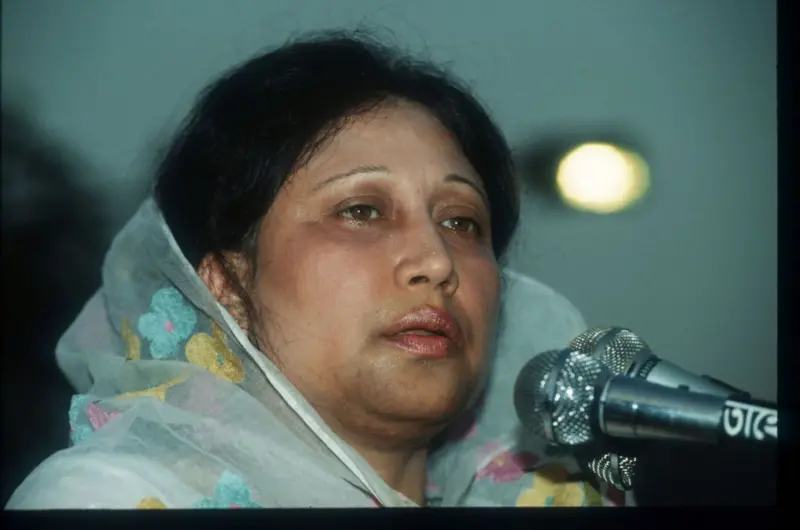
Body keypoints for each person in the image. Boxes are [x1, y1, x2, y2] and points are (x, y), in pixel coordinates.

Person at [6, 31, 631, 508]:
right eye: (361, 211)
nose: (437, 262)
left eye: (463, 222)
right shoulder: (111, 497)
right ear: (225, 287)